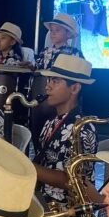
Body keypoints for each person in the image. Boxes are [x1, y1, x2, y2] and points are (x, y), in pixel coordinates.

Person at [33, 55, 97, 207]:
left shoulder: (84, 128)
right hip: (43, 198)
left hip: (65, 211)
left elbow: (74, 181)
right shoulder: (52, 120)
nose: (47, 86)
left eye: (55, 81)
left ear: (74, 88)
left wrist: (28, 166)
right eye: (49, 80)